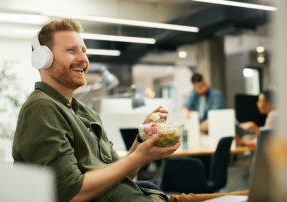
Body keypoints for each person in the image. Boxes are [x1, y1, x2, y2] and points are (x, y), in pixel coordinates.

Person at [12, 19, 247, 202]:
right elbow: (71, 193)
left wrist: (142, 140)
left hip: (155, 197)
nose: (83, 58)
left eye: (84, 50)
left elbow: (121, 174)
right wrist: (138, 156)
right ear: (43, 59)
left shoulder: (85, 112)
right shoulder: (41, 108)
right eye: (71, 51)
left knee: (256, 194)